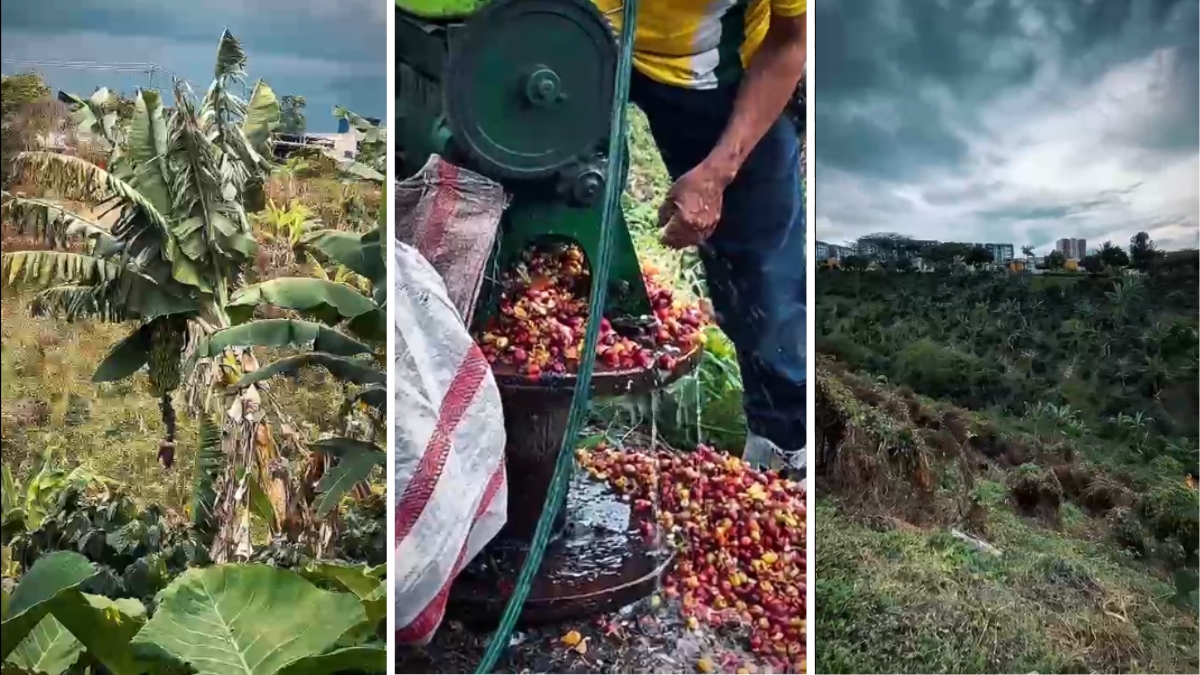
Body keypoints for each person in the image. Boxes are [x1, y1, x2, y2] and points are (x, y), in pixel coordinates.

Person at [597, 0, 808, 474]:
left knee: (763, 278)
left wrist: (717, 173)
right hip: (584, 44)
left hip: (719, 75)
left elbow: (790, 38)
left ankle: (784, 452)